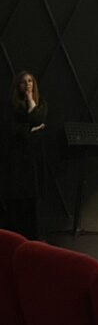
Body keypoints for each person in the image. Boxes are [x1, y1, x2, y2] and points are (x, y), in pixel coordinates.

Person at [1, 71, 48, 238]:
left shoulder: (40, 103)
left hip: (33, 160)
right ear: (17, 85)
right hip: (16, 159)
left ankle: (33, 236)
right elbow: (12, 130)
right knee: (17, 199)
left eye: (30, 81)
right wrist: (31, 130)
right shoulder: (10, 106)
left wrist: (30, 100)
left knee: (33, 198)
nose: (27, 84)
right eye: (23, 82)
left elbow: (37, 119)